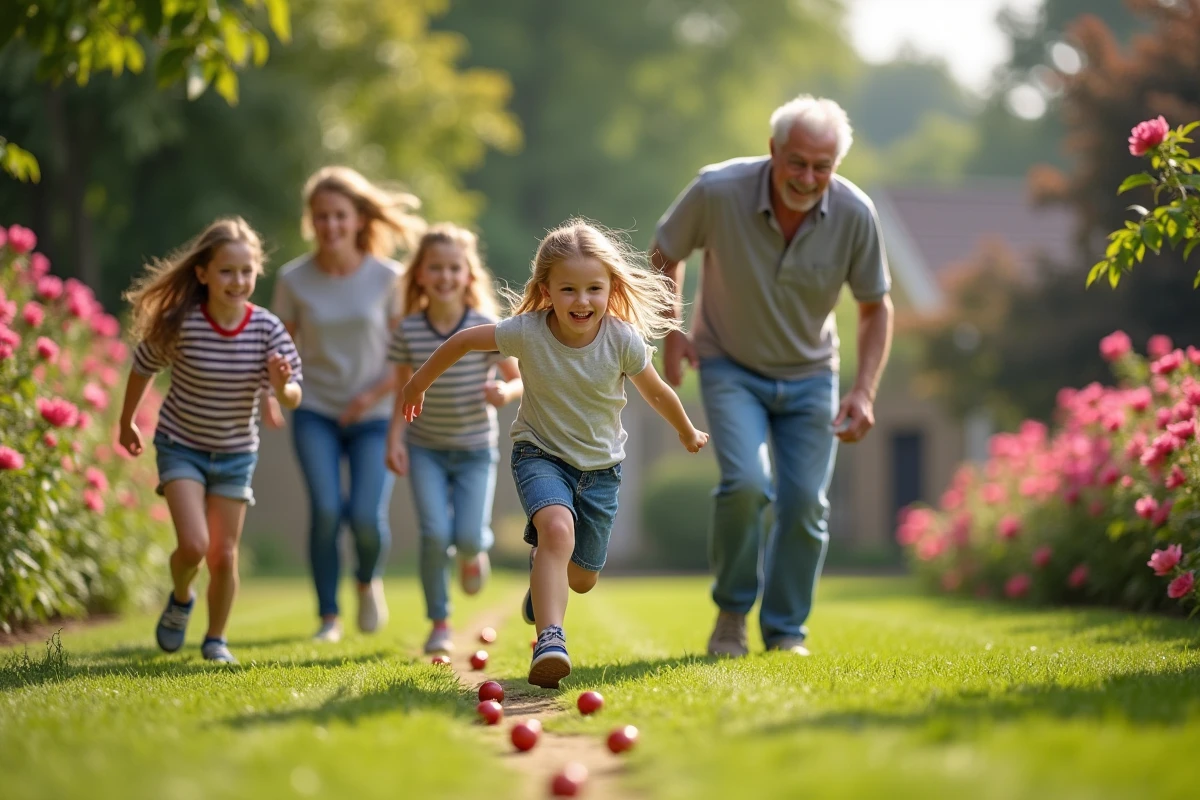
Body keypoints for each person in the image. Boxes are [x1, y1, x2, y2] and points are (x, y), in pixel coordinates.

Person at [401, 219, 709, 688]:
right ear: (546, 289)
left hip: (601, 469)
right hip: (539, 454)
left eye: (593, 289)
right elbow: (465, 341)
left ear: (610, 289)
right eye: (568, 289)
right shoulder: (527, 332)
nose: (581, 301)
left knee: (581, 577)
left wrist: (686, 430)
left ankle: (539, 583)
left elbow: (659, 392)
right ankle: (550, 638)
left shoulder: (622, 340)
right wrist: (418, 382)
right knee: (556, 529)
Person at [650, 94, 894, 658]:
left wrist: (864, 390)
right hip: (729, 365)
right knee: (746, 486)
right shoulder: (717, 190)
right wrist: (672, 329)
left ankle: (786, 630)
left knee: (806, 503)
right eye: (797, 162)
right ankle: (732, 614)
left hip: (811, 375)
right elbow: (664, 253)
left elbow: (876, 306)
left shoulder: (855, 214)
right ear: (773, 151)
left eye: (822, 167)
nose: (808, 178)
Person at [118, 217, 303, 664]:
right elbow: (143, 365)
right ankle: (182, 595)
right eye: (226, 271)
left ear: (256, 272)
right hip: (181, 445)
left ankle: (216, 639)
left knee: (223, 554)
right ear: (203, 273)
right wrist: (126, 422)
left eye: (246, 271)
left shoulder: (267, 329)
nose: (237, 281)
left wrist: (281, 386)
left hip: (236, 453)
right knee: (195, 546)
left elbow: (294, 395)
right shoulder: (181, 322)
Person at [270, 166, 424, 643]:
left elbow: (405, 355)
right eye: (321, 217)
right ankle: (329, 617)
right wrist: (269, 394)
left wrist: (371, 395)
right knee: (325, 509)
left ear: (358, 219)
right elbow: (277, 346)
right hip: (315, 408)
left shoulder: (388, 278)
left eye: (339, 215)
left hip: (374, 414)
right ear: (310, 221)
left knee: (363, 515)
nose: (330, 226)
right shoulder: (293, 280)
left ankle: (365, 581)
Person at [384, 224, 523, 655]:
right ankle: (439, 621)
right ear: (420, 275)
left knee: (465, 535)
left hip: (475, 450)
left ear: (468, 275)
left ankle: (472, 552)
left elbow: (518, 380)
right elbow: (401, 389)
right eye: (435, 268)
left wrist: (504, 392)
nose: (445, 276)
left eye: (454, 268)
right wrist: (394, 439)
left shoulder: (486, 327)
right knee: (432, 533)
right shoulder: (407, 330)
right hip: (425, 447)